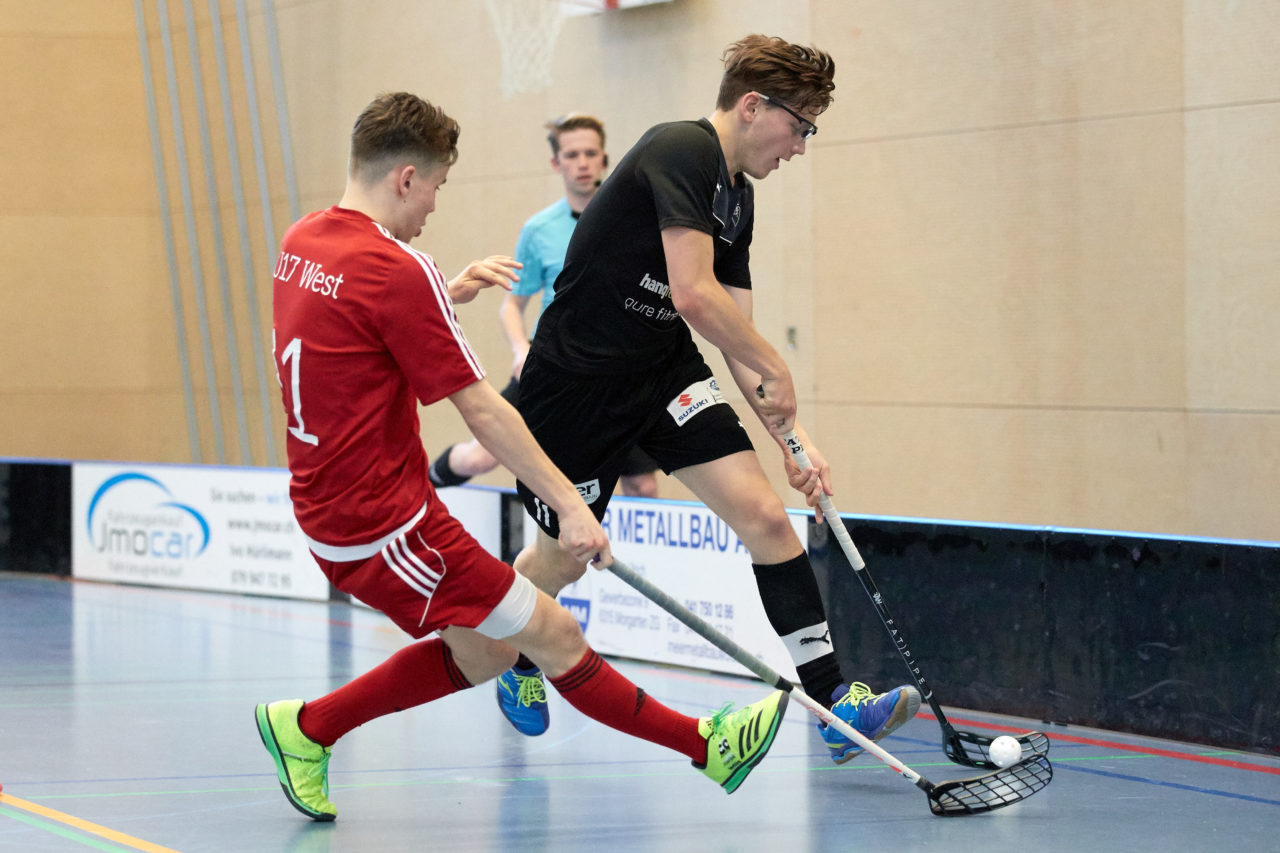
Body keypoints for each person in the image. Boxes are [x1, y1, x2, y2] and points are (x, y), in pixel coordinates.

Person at [255, 91, 788, 821]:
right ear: (406, 178)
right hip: (383, 523)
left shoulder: (304, 240)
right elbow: (482, 408)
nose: (435, 207)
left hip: (329, 502)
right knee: (555, 632)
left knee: (487, 650)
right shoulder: (397, 269)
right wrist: (570, 503)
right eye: (438, 186)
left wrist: (449, 291)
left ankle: (307, 727)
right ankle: (706, 745)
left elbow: (354, 324)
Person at [499, 36, 921, 763]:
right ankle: (520, 658)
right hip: (575, 388)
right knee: (560, 562)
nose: (801, 145)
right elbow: (694, 292)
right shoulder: (680, 151)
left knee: (763, 512)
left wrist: (795, 442)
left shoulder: (738, 196)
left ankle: (833, 701)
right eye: (801, 124)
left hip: (664, 373)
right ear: (754, 106)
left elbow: (734, 332)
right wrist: (775, 362)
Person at [429, 114, 661, 498]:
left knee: (642, 482)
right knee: (481, 458)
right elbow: (512, 305)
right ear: (556, 164)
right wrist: (522, 351)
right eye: (572, 154)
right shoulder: (539, 230)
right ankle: (422, 489)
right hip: (551, 363)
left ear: (605, 159)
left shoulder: (637, 219)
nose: (582, 163)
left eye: (590, 153)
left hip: (616, 369)